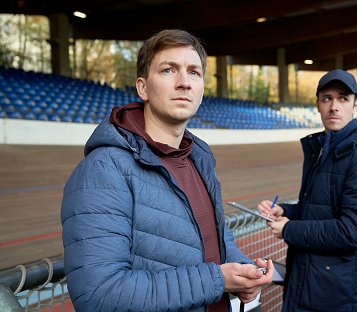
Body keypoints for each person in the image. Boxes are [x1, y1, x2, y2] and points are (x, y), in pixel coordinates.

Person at [61, 29, 273, 312]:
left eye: (194, 72)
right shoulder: (103, 170)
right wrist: (218, 280)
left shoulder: (199, 158)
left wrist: (243, 271)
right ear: (143, 88)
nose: (184, 82)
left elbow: (215, 240)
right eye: (168, 70)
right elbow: (99, 295)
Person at [257, 69, 357, 311]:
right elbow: (323, 211)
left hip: (340, 298)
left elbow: (355, 231)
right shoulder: (322, 152)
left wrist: (289, 229)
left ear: (356, 105)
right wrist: (285, 211)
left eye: (343, 98)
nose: (334, 107)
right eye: (327, 98)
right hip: (315, 287)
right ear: (318, 105)